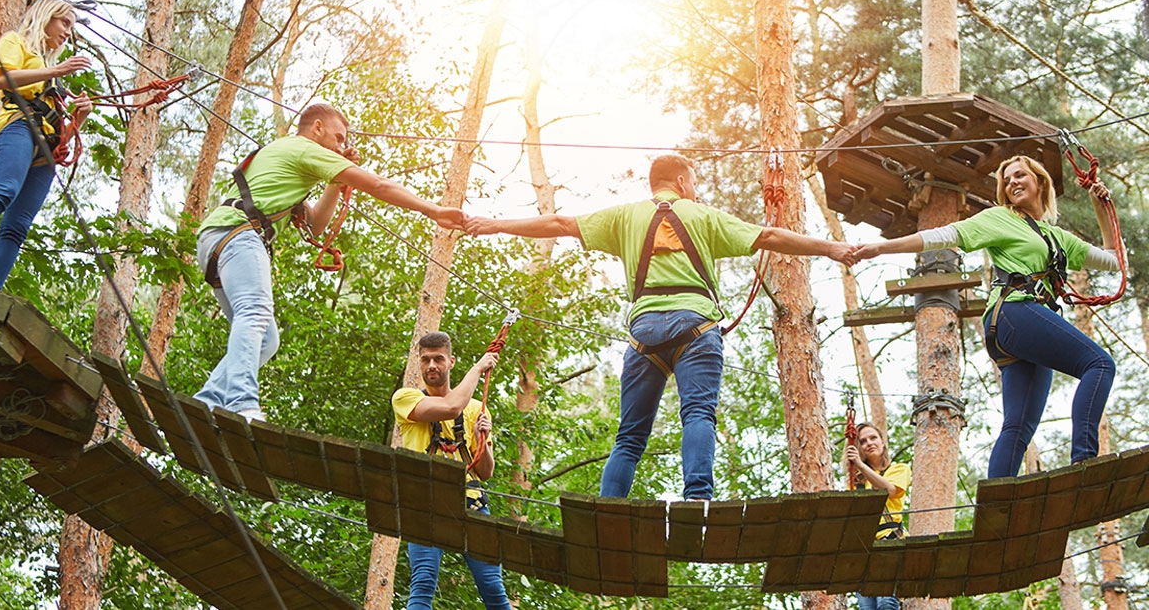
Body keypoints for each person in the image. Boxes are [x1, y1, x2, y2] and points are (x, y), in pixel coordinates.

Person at [466, 153, 858, 500]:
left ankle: (608, 508)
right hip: (696, 327)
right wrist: (832, 248)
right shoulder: (702, 215)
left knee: (630, 436)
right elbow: (770, 236)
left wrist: (496, 224)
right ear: (683, 181)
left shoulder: (624, 216)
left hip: (644, 334)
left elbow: (559, 222)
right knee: (698, 414)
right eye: (695, 183)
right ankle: (697, 500)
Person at [194, 103, 465, 421]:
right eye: (338, 138)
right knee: (254, 312)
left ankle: (209, 399)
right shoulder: (304, 147)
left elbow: (316, 224)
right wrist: (432, 210)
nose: (342, 147)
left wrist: (335, 183)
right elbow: (377, 185)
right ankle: (241, 401)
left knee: (266, 338)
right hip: (238, 235)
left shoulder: (288, 157)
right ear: (317, 127)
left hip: (218, 239)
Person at [854, 155, 1119, 478]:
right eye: (1007, 181)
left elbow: (1112, 260)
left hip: (1019, 327)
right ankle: (1084, 462)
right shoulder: (1000, 219)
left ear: (1040, 182)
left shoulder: (1057, 237)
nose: (1012, 184)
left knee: (1018, 426)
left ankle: (995, 508)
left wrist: (1101, 207)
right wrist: (883, 248)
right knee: (1100, 364)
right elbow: (945, 235)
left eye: (1020, 176)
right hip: (1014, 313)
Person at [0, 0, 92, 288]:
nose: (67, 32)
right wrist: (56, 71)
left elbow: (62, 140)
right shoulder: (16, 42)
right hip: (17, 128)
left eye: (71, 27)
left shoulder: (54, 80)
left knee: (17, 227)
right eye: (64, 22)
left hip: (45, 149)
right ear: (46, 16)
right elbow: (3, 79)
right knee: (4, 190)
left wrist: (79, 117)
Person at [392, 331, 510, 610]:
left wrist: (483, 439)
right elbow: (450, 406)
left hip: (470, 501)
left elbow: (485, 472)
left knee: (493, 587)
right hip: (425, 504)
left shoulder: (475, 409)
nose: (432, 365)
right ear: (419, 364)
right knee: (422, 583)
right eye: (426, 360)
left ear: (451, 362)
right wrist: (479, 367)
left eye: (438, 359)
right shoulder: (405, 399)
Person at [845, 421, 910, 610]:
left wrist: (859, 465)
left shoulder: (898, 469)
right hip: (864, 549)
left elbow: (888, 489)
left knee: (885, 603)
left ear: (883, 442)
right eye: (863, 441)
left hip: (889, 542)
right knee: (867, 607)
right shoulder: (857, 482)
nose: (869, 443)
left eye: (873, 438)